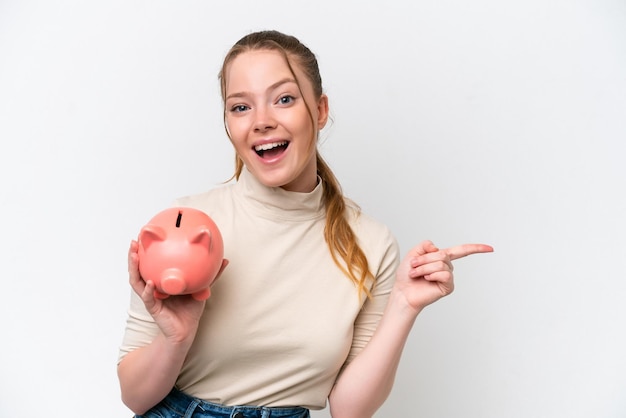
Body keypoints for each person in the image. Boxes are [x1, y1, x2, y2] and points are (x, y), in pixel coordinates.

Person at [117, 30, 493, 418]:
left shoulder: (370, 243)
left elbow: (349, 410)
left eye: (284, 99)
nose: (261, 122)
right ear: (228, 122)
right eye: (240, 107)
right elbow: (134, 395)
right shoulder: (184, 226)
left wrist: (403, 306)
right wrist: (175, 339)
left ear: (319, 110)